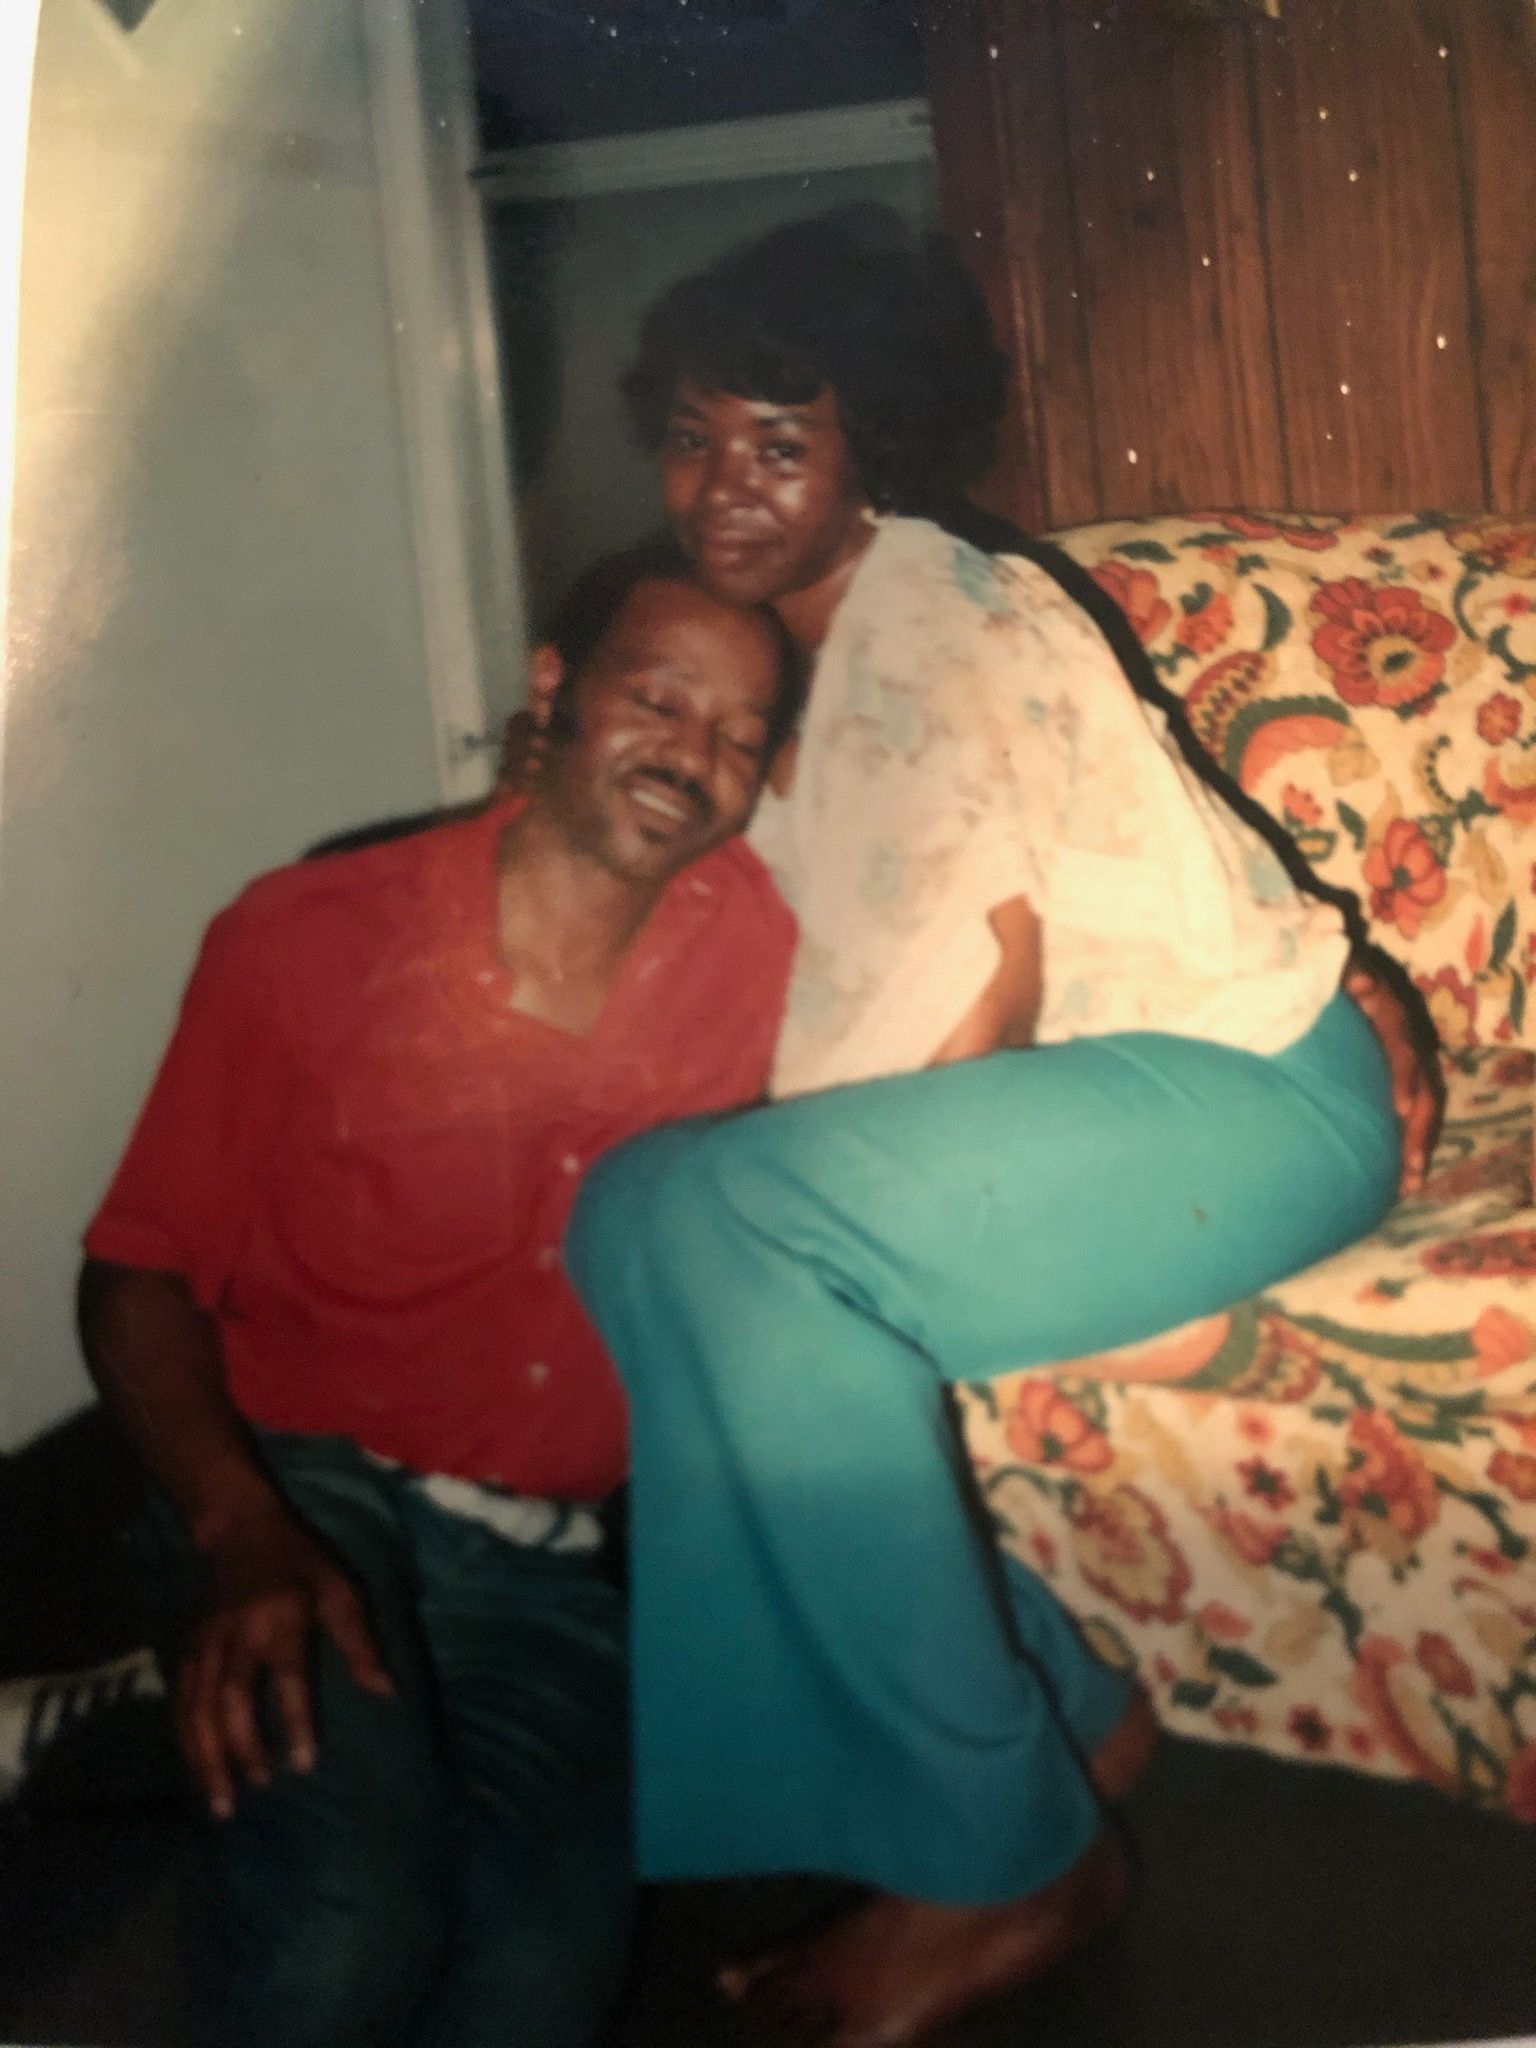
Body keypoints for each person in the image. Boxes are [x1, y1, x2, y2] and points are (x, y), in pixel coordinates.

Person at [556, 210, 1439, 2048]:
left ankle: (1005, 1859)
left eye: (781, 443)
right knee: (648, 1223)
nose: (726, 485)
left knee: (714, 1232)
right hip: (1117, 1119)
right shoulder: (785, 666)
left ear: (871, 442)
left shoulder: (931, 617)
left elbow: (975, 1008)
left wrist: (831, 1234)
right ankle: (1060, 1707)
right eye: (697, 437)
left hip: (1239, 1099)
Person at [76, 551, 805, 2048]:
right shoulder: (308, 936)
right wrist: (241, 1532)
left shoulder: (767, 947)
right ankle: (162, 1693)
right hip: (296, 1495)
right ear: (554, 689)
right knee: (348, 1930)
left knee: (540, 1979)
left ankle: (139, 1734)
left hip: (543, 1571)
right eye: (658, 697)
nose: (695, 754)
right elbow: (137, 1270)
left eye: (740, 733)